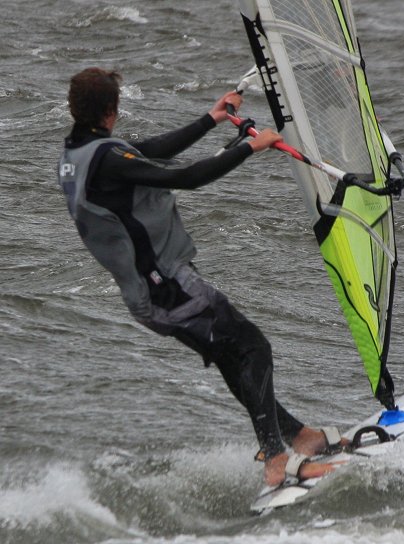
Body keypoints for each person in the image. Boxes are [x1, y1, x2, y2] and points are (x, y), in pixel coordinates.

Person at [58, 67, 346, 488]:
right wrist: (250, 147)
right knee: (254, 347)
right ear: (111, 110)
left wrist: (211, 119)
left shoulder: (79, 154)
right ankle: (276, 459)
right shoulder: (107, 159)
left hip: (147, 295)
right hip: (167, 288)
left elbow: (149, 150)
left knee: (233, 355)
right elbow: (186, 178)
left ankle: (297, 436)